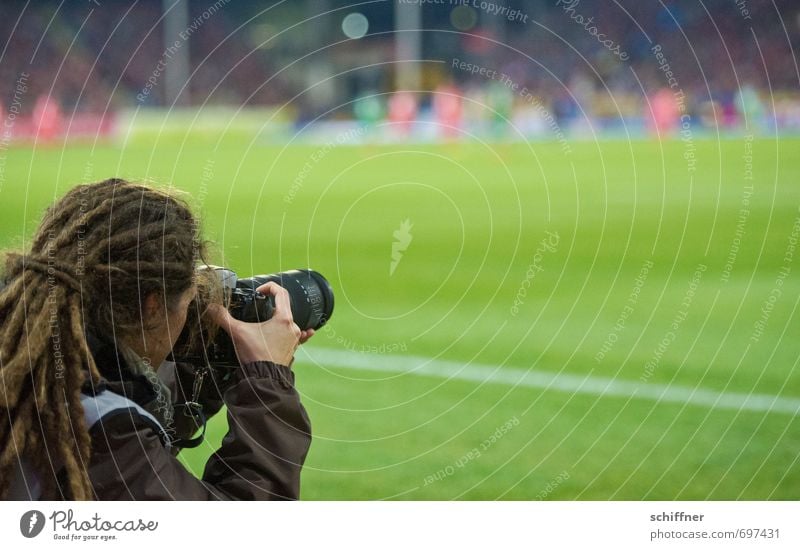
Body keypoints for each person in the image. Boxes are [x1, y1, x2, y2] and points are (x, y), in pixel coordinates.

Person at [0, 178, 314, 500]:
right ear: (152, 306)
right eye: (190, 300)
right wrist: (267, 380)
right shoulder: (102, 427)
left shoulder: (26, 359)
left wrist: (209, 369)